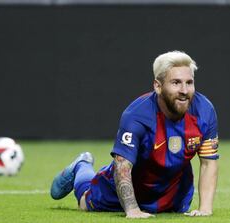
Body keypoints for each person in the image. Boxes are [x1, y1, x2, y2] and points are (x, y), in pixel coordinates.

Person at [50, 50, 219, 219]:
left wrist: (205, 208)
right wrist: (131, 210)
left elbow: (208, 162)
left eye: (189, 83)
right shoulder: (137, 115)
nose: (184, 90)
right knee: (84, 203)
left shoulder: (205, 111)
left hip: (173, 194)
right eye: (176, 83)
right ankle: (82, 166)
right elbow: (122, 165)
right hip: (126, 188)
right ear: (158, 86)